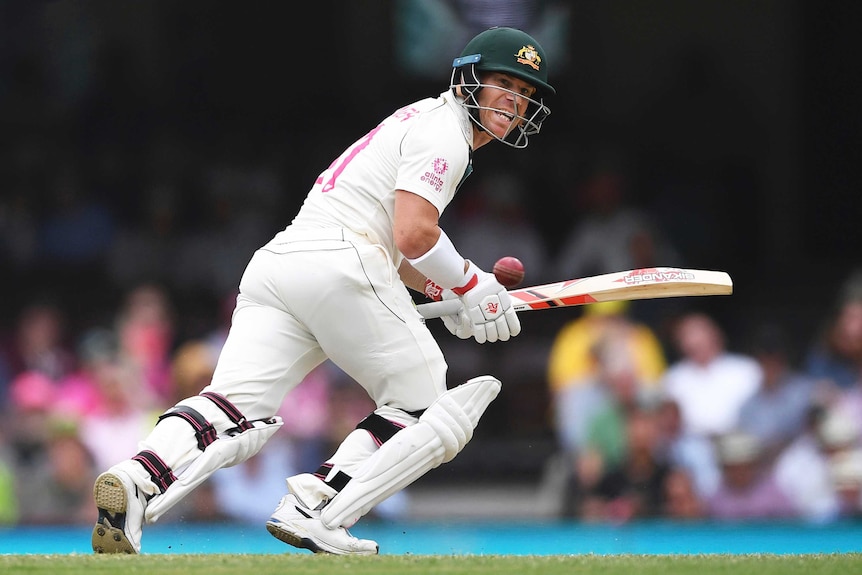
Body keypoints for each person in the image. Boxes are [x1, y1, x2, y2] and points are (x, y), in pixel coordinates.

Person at [90, 26, 555, 556]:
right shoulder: (445, 133)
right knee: (425, 406)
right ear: (469, 79)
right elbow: (413, 233)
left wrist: (451, 296)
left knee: (232, 407)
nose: (515, 102)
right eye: (504, 83)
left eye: (526, 94)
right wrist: (474, 285)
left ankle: (135, 479)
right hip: (344, 261)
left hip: (283, 263)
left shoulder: (418, 120)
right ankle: (317, 505)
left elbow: (401, 251)